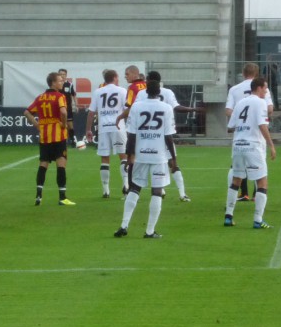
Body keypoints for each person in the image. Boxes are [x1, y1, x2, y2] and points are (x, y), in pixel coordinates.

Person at [114, 79, 177, 239]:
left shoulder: (136, 107)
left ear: (146, 91)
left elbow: (132, 134)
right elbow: (168, 136)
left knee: (134, 189)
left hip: (140, 154)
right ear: (159, 92)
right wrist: (173, 159)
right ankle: (149, 231)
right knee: (156, 192)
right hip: (159, 156)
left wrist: (130, 156)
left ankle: (124, 225)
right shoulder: (166, 108)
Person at [128, 70, 197, 202]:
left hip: (146, 137)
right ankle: (182, 194)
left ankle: (135, 191)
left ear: (148, 81)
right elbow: (176, 107)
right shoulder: (168, 92)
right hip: (164, 134)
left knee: (146, 163)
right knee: (172, 163)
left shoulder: (142, 94)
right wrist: (192, 109)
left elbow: (134, 109)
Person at [224, 76, 277, 229]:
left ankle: (228, 216)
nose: (266, 91)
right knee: (262, 182)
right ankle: (258, 220)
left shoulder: (240, 103)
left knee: (236, 180)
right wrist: (271, 145)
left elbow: (231, 125)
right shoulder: (260, 103)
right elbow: (262, 125)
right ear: (259, 88)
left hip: (237, 145)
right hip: (253, 146)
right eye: (265, 88)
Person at [24, 71, 75, 206]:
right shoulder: (60, 96)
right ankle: (62, 197)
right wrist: (64, 124)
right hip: (58, 136)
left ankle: (39, 196)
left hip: (45, 136)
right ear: (53, 83)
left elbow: (27, 112)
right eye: (59, 80)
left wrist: (37, 125)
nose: (62, 82)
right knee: (61, 164)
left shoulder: (40, 97)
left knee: (43, 164)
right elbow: (63, 112)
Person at [84, 69, 128, 198]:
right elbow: (127, 109)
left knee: (104, 158)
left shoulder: (98, 92)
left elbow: (91, 112)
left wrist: (88, 129)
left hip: (104, 128)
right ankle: (126, 185)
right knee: (123, 156)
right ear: (115, 77)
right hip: (118, 127)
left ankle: (105, 190)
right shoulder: (122, 91)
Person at [58, 67, 79, 146]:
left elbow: (73, 95)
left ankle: (72, 140)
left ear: (66, 75)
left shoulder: (69, 84)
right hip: (58, 108)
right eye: (61, 74)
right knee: (60, 124)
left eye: (64, 74)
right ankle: (62, 140)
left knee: (70, 125)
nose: (62, 76)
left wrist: (76, 105)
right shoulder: (57, 84)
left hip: (68, 108)